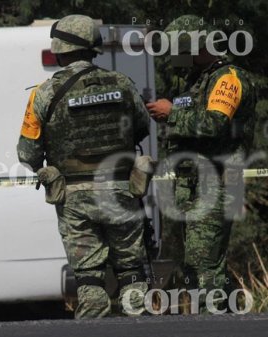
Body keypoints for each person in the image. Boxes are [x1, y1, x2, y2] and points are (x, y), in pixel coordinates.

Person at [17, 14, 150, 318]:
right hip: (121, 191)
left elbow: (27, 152)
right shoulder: (123, 83)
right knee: (131, 272)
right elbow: (141, 128)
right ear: (93, 48)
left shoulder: (45, 93)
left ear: (60, 49)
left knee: (90, 278)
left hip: (75, 198)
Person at [146, 15, 256, 312]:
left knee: (203, 266)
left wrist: (171, 113)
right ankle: (223, 318)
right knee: (198, 268)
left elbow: (214, 124)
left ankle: (213, 323)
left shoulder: (228, 78)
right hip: (193, 184)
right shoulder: (198, 80)